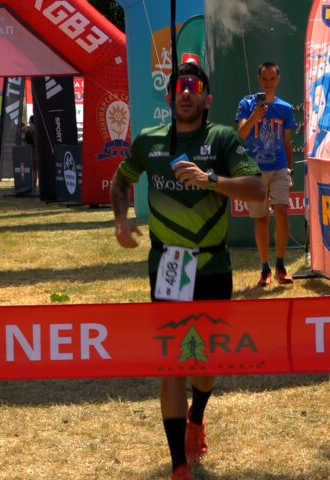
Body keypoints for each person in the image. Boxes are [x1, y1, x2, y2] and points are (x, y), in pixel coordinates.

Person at [110, 62, 263, 480]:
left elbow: (257, 189)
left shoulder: (223, 138)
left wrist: (209, 180)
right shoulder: (150, 141)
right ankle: (179, 463)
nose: (186, 92)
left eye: (194, 87)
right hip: (170, 265)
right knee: (173, 361)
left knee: (205, 359)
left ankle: (198, 415)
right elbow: (121, 181)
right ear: (169, 97)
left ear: (207, 99)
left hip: (213, 264)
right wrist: (121, 220)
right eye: (180, 86)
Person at [236, 62, 297, 287]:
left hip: (279, 167)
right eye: (264, 79)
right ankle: (265, 269)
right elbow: (241, 134)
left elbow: (287, 142)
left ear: (278, 80)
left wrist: (290, 170)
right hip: (255, 170)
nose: (268, 83)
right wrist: (254, 116)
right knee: (261, 219)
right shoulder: (246, 104)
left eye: (272, 79)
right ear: (258, 79)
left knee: (281, 212)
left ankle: (280, 265)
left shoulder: (285, 108)